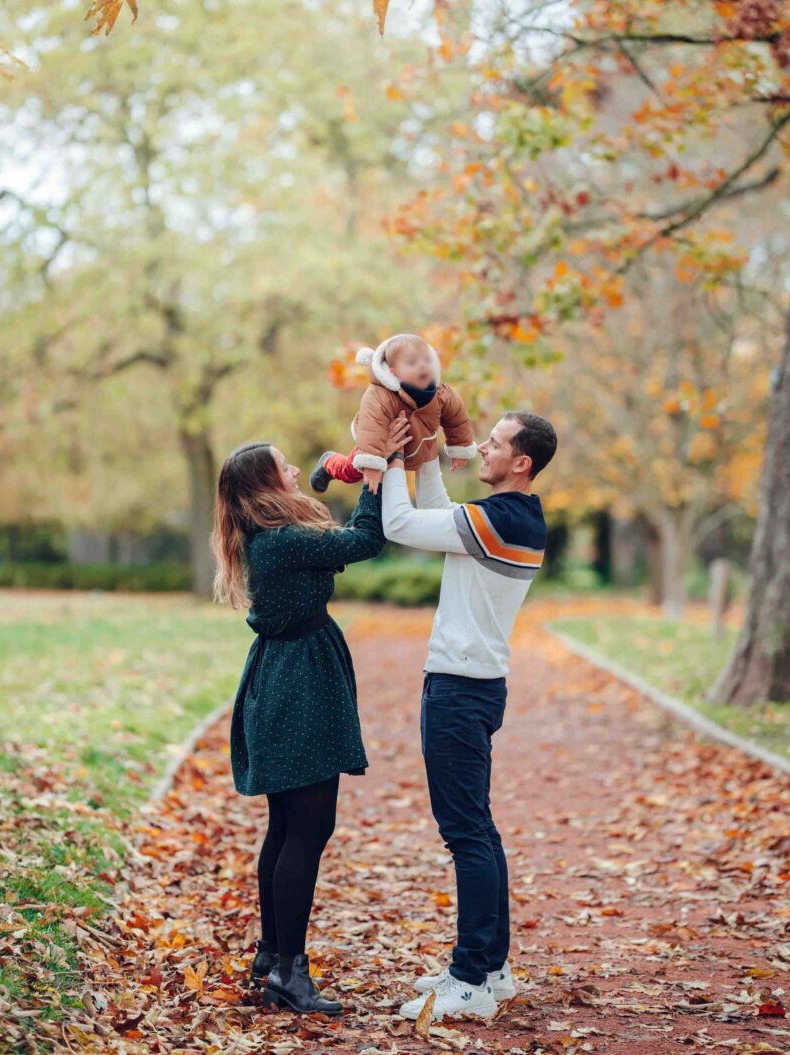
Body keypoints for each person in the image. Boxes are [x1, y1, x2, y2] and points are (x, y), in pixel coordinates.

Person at [381, 411, 558, 1022]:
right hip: (475, 685)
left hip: (458, 690)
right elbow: (436, 516)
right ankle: (492, 967)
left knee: (466, 834)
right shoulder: (511, 518)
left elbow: (402, 523)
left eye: (496, 442)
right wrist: (426, 449)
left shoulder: (499, 519)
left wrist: (391, 458)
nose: (483, 445)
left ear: (521, 462)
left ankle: (470, 979)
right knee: (478, 830)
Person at [211, 441, 386, 1016]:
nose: (293, 470)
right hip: (297, 686)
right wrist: (373, 475)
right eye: (283, 466)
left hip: (288, 679)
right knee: (306, 828)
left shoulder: (275, 538)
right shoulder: (283, 541)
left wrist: (338, 473)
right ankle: (289, 971)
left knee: (287, 826)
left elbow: (337, 539)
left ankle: (273, 955)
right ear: (265, 485)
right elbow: (365, 541)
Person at [309, 333, 477, 495]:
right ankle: (329, 463)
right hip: (377, 441)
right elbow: (371, 425)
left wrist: (461, 448)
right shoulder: (380, 395)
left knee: (423, 475)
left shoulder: (441, 393)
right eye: (412, 363)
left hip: (417, 442)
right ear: (394, 373)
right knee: (352, 471)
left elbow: (457, 419)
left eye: (427, 360)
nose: (422, 365)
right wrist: (372, 464)